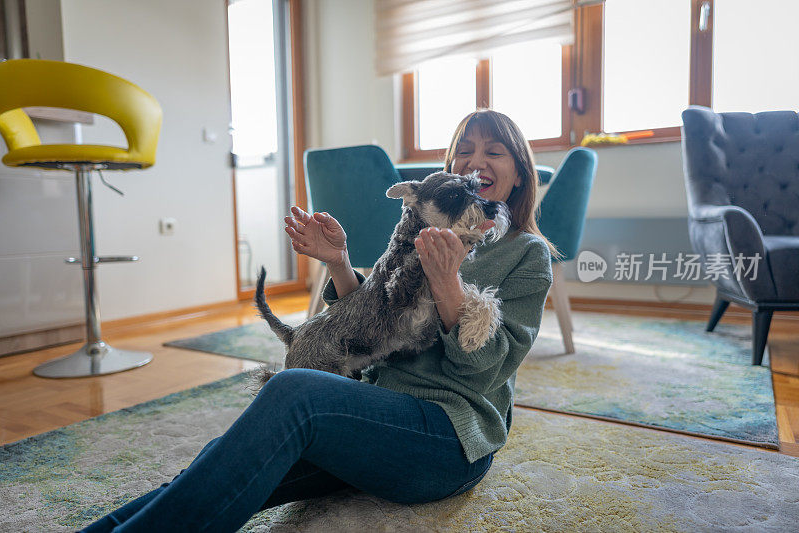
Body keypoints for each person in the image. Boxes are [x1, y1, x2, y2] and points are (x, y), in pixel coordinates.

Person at [81, 109, 555, 532]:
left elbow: (485, 370)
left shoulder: (527, 254)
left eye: (494, 151)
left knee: (292, 391)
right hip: (375, 411)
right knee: (222, 460)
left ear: (519, 175)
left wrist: (448, 285)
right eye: (464, 151)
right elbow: (375, 321)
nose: (476, 161)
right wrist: (339, 262)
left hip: (447, 441)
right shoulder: (421, 229)